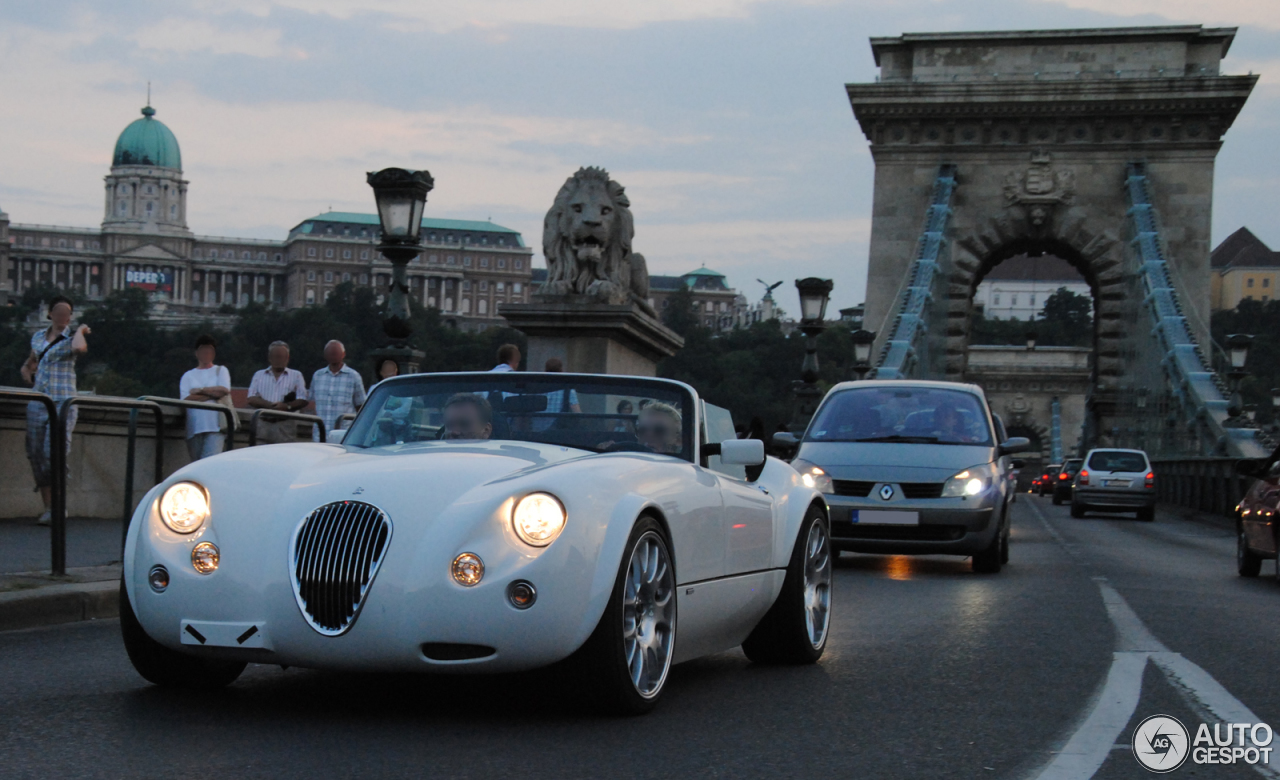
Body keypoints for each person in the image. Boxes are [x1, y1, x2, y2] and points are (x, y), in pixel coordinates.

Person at [19, 295, 89, 525]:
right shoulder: (38, 337)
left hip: (63, 401)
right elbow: (33, 360)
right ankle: (49, 506)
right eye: (58, 312)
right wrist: (27, 371)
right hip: (39, 400)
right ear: (50, 313)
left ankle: (59, 505)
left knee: (54, 453)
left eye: (67, 313)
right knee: (37, 455)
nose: (62, 316)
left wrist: (79, 330)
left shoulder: (71, 337)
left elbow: (80, 348)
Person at [179, 334, 232, 460]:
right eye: (203, 350)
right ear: (197, 353)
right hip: (195, 427)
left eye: (209, 350)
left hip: (216, 426)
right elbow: (186, 400)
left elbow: (224, 390)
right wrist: (212, 395)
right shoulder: (188, 375)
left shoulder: (221, 370)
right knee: (196, 463)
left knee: (209, 460)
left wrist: (200, 391)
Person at [246, 340, 309, 444]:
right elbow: (251, 398)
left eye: (282, 356)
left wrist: (286, 406)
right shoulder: (259, 375)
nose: (279, 360)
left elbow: (303, 399)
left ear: (287, 358)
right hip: (262, 423)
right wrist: (271, 406)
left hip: (285, 425)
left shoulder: (296, 375)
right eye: (276, 356)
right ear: (270, 358)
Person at [309, 340, 366, 441]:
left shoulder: (353, 376)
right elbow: (312, 403)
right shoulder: (318, 376)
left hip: (344, 434)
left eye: (336, 353)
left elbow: (361, 405)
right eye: (330, 353)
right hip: (320, 435)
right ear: (325, 355)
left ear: (343, 354)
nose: (333, 356)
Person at [535, 357, 580, 430]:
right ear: (561, 370)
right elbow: (577, 412)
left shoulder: (535, 388)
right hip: (557, 432)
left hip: (537, 431)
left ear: (545, 370)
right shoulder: (568, 390)